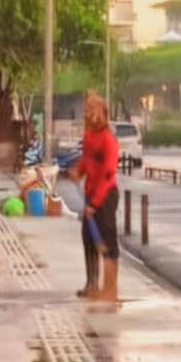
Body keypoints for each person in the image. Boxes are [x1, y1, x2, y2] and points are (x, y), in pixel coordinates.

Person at [69, 92, 120, 301]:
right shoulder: (89, 137)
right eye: (85, 110)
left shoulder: (109, 141)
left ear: (101, 113)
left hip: (106, 197)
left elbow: (108, 175)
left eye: (90, 110)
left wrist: (95, 204)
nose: (86, 114)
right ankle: (91, 284)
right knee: (88, 239)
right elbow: (86, 161)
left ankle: (110, 288)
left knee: (106, 242)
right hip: (91, 194)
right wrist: (78, 172)